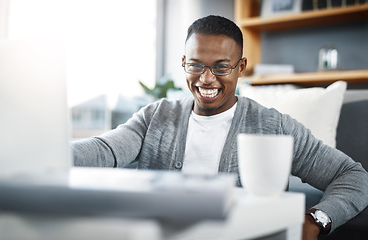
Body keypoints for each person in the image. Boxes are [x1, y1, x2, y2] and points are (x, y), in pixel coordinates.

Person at [72, 15, 368, 240]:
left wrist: (316, 220)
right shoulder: (155, 116)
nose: (207, 79)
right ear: (185, 63)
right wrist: (45, 153)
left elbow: (354, 177)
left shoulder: (273, 126)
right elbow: (104, 150)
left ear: (240, 67)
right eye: (196, 65)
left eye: (221, 67)